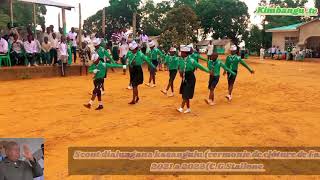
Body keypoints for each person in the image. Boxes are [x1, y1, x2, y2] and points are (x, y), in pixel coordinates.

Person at [177, 45, 210, 114]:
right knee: (185, 94)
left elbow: (200, 66)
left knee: (186, 94)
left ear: (185, 53)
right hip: (184, 78)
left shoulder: (191, 60)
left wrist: (208, 71)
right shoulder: (180, 60)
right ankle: (188, 108)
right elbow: (180, 67)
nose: (181, 53)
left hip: (190, 78)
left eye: (182, 52)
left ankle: (181, 108)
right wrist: (180, 72)